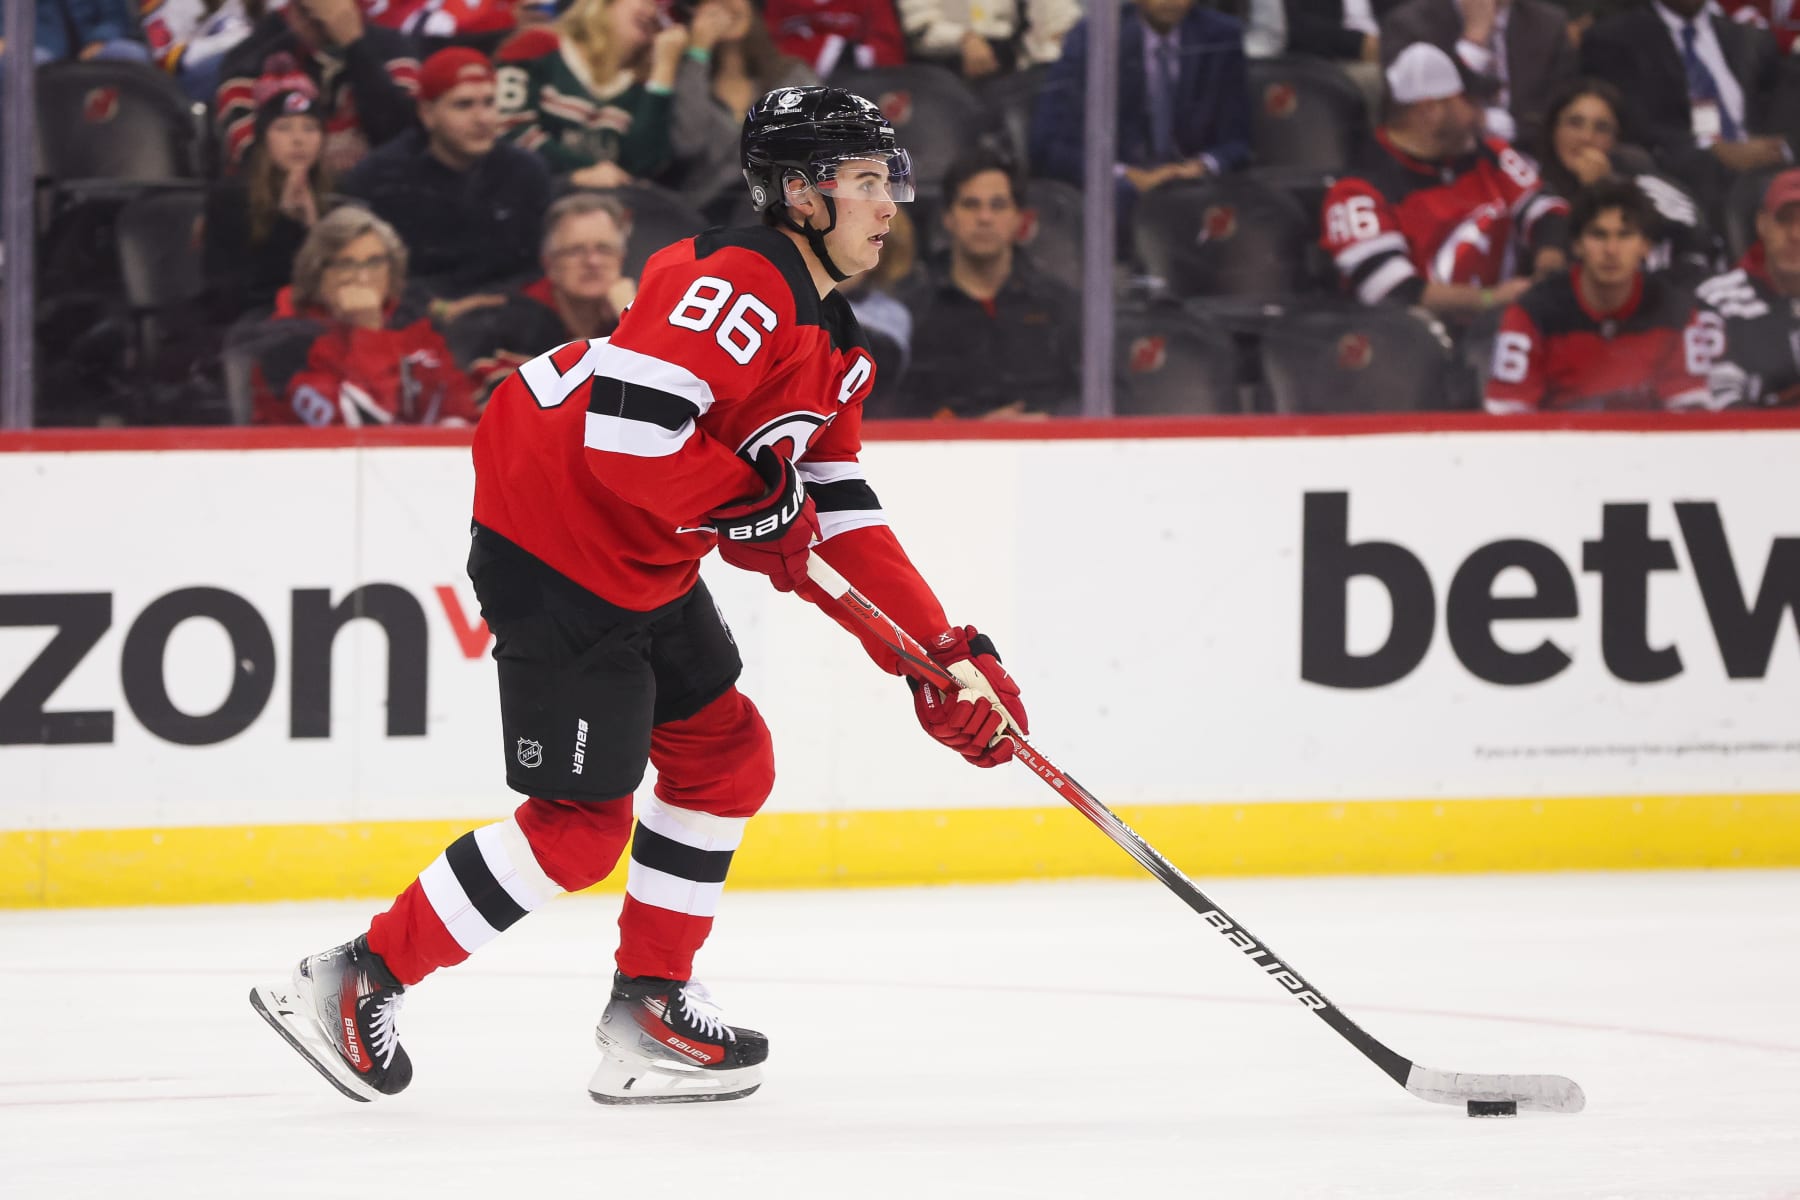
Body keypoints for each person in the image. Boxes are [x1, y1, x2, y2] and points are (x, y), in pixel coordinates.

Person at [248, 84, 1030, 1105]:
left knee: (724, 754)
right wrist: (752, 510)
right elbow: (631, 438)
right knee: (579, 827)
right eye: (868, 182)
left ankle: (649, 1008)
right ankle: (355, 977)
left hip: (641, 553)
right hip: (557, 540)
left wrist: (939, 653)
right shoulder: (737, 279)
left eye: (890, 182)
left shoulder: (837, 351)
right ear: (800, 193)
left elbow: (836, 520)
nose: (890, 207)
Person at [1320, 42, 1568, 322]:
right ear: (1430, 111)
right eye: (1471, 103)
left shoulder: (1490, 154)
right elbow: (1391, 290)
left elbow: (1548, 210)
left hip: (1501, 333)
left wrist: (1549, 262)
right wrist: (1489, 299)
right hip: (1413, 348)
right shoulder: (1357, 191)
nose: (1482, 116)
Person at [1483, 177, 1713, 411]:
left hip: (1647, 445)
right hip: (1559, 443)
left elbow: (1691, 415)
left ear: (1645, 246)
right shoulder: (1533, 311)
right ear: (1577, 245)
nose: (1611, 250)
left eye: (1625, 235)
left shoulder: (1675, 311)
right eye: (1598, 235)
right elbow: (1508, 416)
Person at [339, 47, 552, 299]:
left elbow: (540, 268)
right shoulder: (377, 180)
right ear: (427, 114)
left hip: (513, 313)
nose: (482, 118)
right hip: (414, 320)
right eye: (464, 105)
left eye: (489, 102)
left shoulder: (527, 173)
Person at [1030, 0, 1251, 241]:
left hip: (1195, 192)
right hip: (1121, 195)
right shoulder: (1091, 37)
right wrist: (1127, 175)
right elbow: (1050, 145)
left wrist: (1200, 166)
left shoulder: (1221, 35)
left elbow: (1237, 141)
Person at [250, 206, 476, 425]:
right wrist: (368, 328)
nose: (363, 278)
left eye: (375, 262)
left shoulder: (413, 325)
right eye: (345, 265)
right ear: (317, 274)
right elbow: (362, 429)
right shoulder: (286, 344)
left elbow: (459, 409)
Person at [896, 149, 1080, 418]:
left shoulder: (1061, 306)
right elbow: (892, 408)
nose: (984, 218)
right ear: (948, 218)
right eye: (971, 205)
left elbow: (1106, 395)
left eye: (998, 205)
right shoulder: (912, 314)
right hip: (947, 459)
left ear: (1020, 219)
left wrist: (1050, 423)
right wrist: (971, 431)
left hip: (1049, 455)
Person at [1578, 0, 1792, 217]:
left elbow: (1781, 107)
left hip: (1770, 174)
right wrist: (1715, 150)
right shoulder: (1614, 39)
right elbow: (1633, 124)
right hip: (1684, 178)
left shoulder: (1750, 38)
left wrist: (1776, 147)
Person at [449, 191, 638, 401]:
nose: (592, 261)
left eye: (604, 249)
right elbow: (512, 411)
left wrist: (634, 320)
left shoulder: (638, 316)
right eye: (575, 251)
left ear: (621, 259)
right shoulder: (511, 323)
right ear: (548, 263)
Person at [1533, 77, 1716, 286]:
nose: (1586, 137)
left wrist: (1609, 187)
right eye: (1575, 123)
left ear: (1616, 140)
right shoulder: (1526, 187)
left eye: (1601, 128)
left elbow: (1692, 230)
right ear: (1553, 130)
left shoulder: (1642, 180)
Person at [494, 0, 688, 186]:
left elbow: (642, 164)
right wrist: (582, 173)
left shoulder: (644, 86)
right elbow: (509, 129)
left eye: (663, 8)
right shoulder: (537, 46)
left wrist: (664, 69)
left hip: (604, 208)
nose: (655, 13)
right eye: (647, 1)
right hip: (529, 193)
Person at [215, 0, 420, 172]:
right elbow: (253, 161)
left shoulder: (393, 49)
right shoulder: (250, 60)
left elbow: (403, 142)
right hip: (278, 206)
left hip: (377, 203)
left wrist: (354, 44)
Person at [665, 0, 817, 219]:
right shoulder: (689, 80)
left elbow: (815, 143)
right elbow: (688, 143)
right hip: (704, 215)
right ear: (693, 15)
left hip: (780, 211)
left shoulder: (791, 76)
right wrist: (698, 52)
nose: (725, 4)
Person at [203, 87, 333, 318]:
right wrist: (286, 223)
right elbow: (237, 292)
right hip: (251, 320)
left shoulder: (334, 197)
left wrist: (314, 227)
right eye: (283, 128)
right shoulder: (231, 198)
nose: (298, 140)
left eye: (310, 128)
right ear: (264, 139)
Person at [1380, 0, 1577, 146]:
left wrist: (1496, 124)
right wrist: (1474, 40)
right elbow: (1416, 116)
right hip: (1447, 165)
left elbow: (1560, 111)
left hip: (1532, 156)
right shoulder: (1409, 25)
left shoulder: (1549, 25)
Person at [1697, 167, 1800, 407]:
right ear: (1762, 224)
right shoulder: (1717, 300)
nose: (1796, 234)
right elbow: (1720, 405)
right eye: (1784, 220)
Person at [897, 0, 1082, 78]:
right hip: (941, 70)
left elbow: (1058, 17)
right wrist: (963, 38)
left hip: (1012, 67)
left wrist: (1066, 35)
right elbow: (918, 25)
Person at [761, 0, 907, 74]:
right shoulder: (779, 3)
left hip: (861, 91)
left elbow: (891, 54)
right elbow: (767, 52)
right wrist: (831, 49)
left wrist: (852, 55)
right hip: (795, 92)